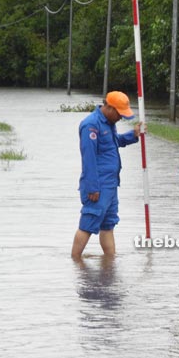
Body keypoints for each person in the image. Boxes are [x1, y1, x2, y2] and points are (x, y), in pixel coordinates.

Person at [71, 91, 142, 260]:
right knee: (87, 224)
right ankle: (76, 262)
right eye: (119, 113)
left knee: (108, 225)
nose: (120, 118)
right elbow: (88, 158)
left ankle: (110, 263)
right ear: (109, 107)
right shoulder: (91, 125)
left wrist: (134, 135)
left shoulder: (109, 123)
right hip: (98, 186)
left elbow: (114, 142)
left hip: (111, 184)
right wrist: (92, 187)